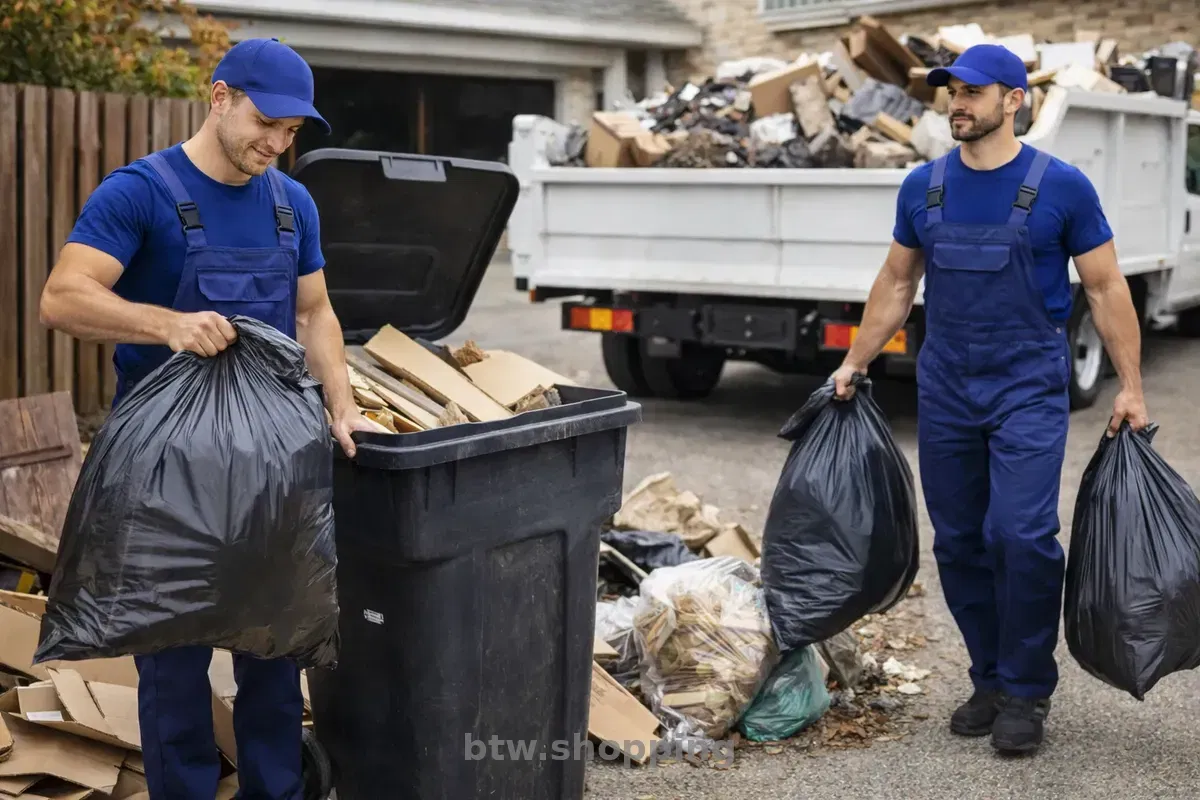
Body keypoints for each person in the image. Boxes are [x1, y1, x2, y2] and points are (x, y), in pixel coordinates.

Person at [38, 38, 373, 798]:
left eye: (292, 132)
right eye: (267, 122)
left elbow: (315, 311)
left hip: (275, 473)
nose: (278, 143)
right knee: (174, 666)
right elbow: (62, 297)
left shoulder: (293, 203)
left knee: (274, 656)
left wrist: (343, 405)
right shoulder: (141, 192)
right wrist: (168, 325)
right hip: (169, 477)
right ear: (219, 96)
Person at [828, 44, 1149, 755]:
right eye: (951, 92)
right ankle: (990, 679)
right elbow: (895, 282)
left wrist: (1129, 388)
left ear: (1015, 100)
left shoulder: (1060, 186)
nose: (957, 103)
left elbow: (1105, 288)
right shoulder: (924, 187)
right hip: (945, 388)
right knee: (961, 541)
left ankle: (1028, 689)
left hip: (1028, 389)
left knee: (1022, 535)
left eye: (974, 92)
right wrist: (852, 362)